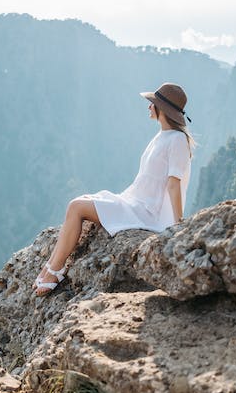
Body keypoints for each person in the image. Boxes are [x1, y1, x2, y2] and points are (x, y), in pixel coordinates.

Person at [34, 82, 195, 296]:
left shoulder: (177, 140)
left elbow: (174, 184)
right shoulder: (162, 136)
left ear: (162, 109)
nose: (148, 107)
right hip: (135, 202)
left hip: (148, 212)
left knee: (76, 207)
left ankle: (56, 270)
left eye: (152, 103)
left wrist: (178, 225)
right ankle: (51, 266)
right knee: (80, 202)